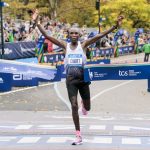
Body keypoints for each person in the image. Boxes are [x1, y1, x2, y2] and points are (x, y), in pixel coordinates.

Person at [31, 9, 124, 145]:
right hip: (71, 81)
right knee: (73, 106)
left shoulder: (84, 45)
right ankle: (78, 135)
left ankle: (84, 106)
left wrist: (115, 26)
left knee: (87, 107)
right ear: (68, 35)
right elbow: (47, 35)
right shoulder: (64, 45)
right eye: (71, 33)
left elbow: (100, 35)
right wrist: (36, 22)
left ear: (80, 35)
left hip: (84, 80)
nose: (74, 35)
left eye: (76, 33)